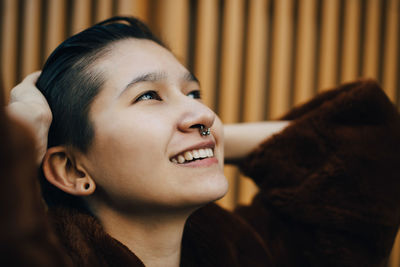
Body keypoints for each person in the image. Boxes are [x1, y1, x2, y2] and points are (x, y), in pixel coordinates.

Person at [5, 16, 400, 266]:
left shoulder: (249, 251)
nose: (205, 114)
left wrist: (208, 141)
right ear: (73, 170)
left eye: (193, 93)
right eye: (148, 96)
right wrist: (22, 137)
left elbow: (365, 154)